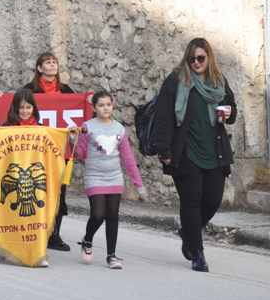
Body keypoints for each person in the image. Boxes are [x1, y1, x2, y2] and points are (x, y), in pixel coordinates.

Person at [152, 38, 237, 273]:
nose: (197, 63)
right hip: (185, 152)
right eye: (192, 59)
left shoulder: (218, 81)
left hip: (215, 151)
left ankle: (189, 231)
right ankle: (197, 254)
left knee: (212, 200)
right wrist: (164, 150)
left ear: (208, 57)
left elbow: (232, 112)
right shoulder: (177, 80)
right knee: (191, 201)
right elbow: (164, 116)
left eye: (201, 58)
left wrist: (229, 112)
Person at [74, 90, 145, 270]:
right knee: (98, 214)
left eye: (108, 104)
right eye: (101, 105)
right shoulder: (87, 127)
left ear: (112, 106)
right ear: (95, 108)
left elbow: (128, 159)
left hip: (114, 177)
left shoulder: (119, 129)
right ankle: (87, 239)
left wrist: (139, 184)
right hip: (95, 177)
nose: (105, 108)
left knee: (112, 215)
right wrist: (72, 140)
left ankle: (111, 255)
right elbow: (81, 155)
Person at [25, 52, 76, 251]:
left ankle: (54, 235)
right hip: (36, 152)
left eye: (55, 62)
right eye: (48, 62)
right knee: (35, 191)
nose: (52, 65)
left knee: (59, 194)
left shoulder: (66, 91)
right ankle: (35, 232)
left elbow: (77, 113)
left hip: (59, 152)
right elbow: (16, 107)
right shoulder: (29, 91)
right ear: (39, 68)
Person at [2, 88, 52, 266]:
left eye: (28, 107)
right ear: (15, 108)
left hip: (33, 179)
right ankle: (9, 249)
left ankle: (38, 254)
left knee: (35, 218)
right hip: (14, 176)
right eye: (21, 107)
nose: (24, 111)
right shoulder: (5, 129)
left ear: (34, 109)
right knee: (12, 217)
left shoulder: (41, 130)